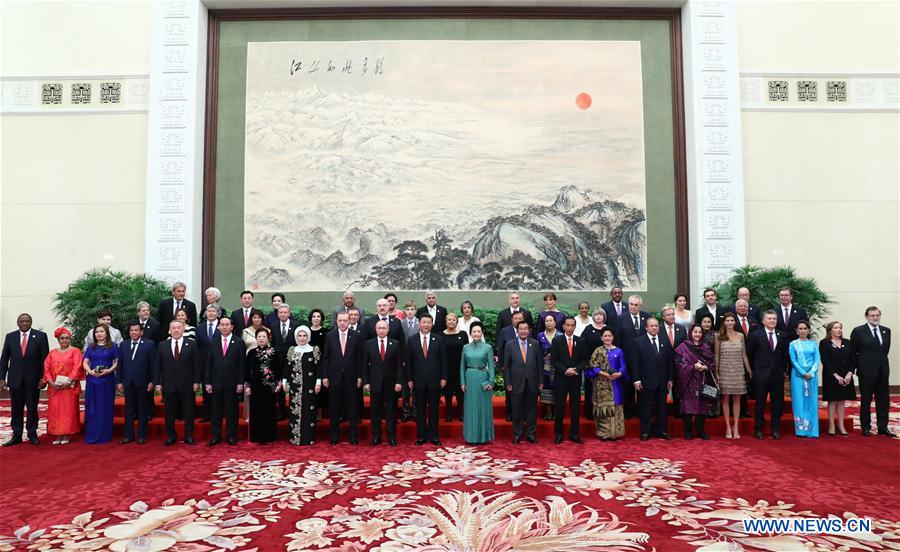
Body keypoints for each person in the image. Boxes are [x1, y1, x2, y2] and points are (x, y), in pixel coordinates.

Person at [0, 313, 50, 446]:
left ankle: (32, 434)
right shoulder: (10, 337)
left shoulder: (40, 336)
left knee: (32, 408)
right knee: (16, 409)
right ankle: (16, 435)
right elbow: (4, 359)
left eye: (27, 321)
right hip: (15, 379)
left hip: (33, 380)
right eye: (21, 321)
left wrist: (43, 378)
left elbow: (45, 360)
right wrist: (1, 378)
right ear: (18, 323)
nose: (24, 323)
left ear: (31, 322)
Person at [155, 320, 201, 446]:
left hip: (187, 384)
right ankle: (171, 436)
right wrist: (157, 383)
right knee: (169, 413)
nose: (176, 330)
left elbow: (197, 365)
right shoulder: (162, 345)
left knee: (189, 412)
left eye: (178, 328)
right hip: (169, 384)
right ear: (170, 330)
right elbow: (157, 366)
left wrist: (197, 381)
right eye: (173, 328)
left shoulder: (192, 344)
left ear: (183, 330)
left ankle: (189, 436)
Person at [747, 310, 790, 440]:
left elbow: (784, 355)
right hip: (761, 374)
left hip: (777, 374)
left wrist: (783, 371)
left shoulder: (782, 335)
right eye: (769, 318)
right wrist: (754, 371)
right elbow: (750, 354)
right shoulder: (755, 335)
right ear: (764, 321)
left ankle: (775, 429)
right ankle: (758, 429)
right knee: (760, 403)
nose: (772, 321)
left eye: (774, 318)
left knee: (777, 403)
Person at [321, 312, 364, 445]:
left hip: (352, 377)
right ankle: (334, 436)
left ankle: (353, 436)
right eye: (340, 320)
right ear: (337, 321)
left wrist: (360, 376)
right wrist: (325, 376)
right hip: (334, 377)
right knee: (334, 408)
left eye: (345, 320)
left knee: (352, 408)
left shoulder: (357, 335)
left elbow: (360, 358)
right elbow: (326, 358)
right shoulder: (330, 335)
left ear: (349, 321)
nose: (343, 323)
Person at [405, 313, 447, 446]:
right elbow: (409, 361)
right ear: (419, 323)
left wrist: (444, 378)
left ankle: (434, 436)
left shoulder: (439, 339)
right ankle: (421, 436)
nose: (426, 325)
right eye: (424, 322)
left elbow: (444, 360)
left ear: (432, 324)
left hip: (435, 380)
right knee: (420, 410)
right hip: (418, 381)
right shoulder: (412, 340)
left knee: (434, 410)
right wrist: (409, 378)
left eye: (429, 322)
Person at [850, 307, 892, 437]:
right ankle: (866, 427)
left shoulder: (886, 331)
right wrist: (856, 369)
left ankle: (883, 427)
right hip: (866, 372)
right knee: (866, 400)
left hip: (882, 371)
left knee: (883, 400)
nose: (875, 317)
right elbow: (853, 352)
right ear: (867, 317)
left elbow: (884, 351)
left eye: (877, 315)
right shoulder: (858, 331)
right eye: (872, 315)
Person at [205, 317, 245, 446]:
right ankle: (216, 436)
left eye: (227, 325)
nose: (224, 327)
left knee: (231, 411)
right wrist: (207, 382)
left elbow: (241, 364)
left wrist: (240, 382)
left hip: (232, 383)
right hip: (215, 382)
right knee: (215, 411)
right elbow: (208, 364)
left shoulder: (239, 342)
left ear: (232, 327)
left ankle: (231, 435)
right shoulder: (213, 342)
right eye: (222, 325)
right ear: (218, 327)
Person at [363, 320, 403, 446]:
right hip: (375, 383)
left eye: (384, 328)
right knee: (375, 411)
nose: (381, 330)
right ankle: (376, 436)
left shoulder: (396, 344)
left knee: (391, 411)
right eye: (379, 328)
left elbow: (399, 365)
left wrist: (399, 382)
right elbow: (364, 365)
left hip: (391, 384)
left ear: (388, 330)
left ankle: (391, 436)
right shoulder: (368, 344)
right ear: (375, 330)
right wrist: (366, 382)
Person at [633, 318, 673, 440]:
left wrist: (670, 378)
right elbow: (635, 362)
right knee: (646, 407)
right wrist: (636, 379)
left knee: (662, 407)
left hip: (662, 381)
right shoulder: (638, 342)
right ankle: (646, 431)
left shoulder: (665, 341)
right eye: (651, 326)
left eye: (656, 325)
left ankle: (661, 430)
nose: (654, 327)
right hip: (645, 380)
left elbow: (670, 361)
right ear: (646, 328)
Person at [116, 321, 156, 444]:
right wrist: (119, 381)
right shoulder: (123, 345)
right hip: (128, 382)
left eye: (136, 330)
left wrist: (152, 381)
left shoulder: (149, 344)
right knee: (129, 410)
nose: (133, 332)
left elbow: (153, 365)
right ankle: (128, 435)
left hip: (143, 382)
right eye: (131, 330)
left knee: (142, 409)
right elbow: (120, 365)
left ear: (141, 332)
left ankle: (142, 436)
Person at [714, 312, 752, 439]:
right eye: (727, 320)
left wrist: (749, 370)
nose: (730, 322)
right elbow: (717, 355)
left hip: (738, 369)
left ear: (735, 322)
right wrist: (716, 372)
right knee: (725, 398)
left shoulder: (741, 336)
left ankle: (735, 426)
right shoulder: (719, 336)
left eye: (732, 320)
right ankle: (728, 427)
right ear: (724, 322)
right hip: (724, 369)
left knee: (737, 398)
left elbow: (744, 355)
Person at [43, 327, 83, 445]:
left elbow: (77, 367)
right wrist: (51, 382)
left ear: (70, 339)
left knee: (68, 411)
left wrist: (69, 381)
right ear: (58, 339)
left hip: (69, 388)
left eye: (66, 338)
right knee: (55, 411)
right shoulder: (52, 353)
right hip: (55, 388)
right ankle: (58, 434)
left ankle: (66, 434)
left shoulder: (75, 351)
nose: (64, 340)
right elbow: (46, 369)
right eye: (62, 338)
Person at [585, 327, 627, 440]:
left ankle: (615, 433)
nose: (607, 338)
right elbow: (591, 366)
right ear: (601, 338)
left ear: (613, 337)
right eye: (605, 336)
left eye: (609, 336)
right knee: (602, 408)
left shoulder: (618, 351)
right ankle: (603, 433)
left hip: (615, 383)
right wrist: (603, 374)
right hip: (601, 384)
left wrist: (619, 373)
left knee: (615, 405)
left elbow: (623, 366)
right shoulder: (598, 351)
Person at [504, 321, 542, 444]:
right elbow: (507, 366)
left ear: (529, 330)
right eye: (521, 329)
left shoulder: (535, 344)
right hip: (515, 382)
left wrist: (540, 380)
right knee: (517, 409)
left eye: (526, 329)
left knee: (531, 409)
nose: (524, 331)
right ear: (517, 330)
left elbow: (539, 364)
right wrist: (508, 382)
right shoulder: (510, 344)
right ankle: (517, 433)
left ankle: (531, 433)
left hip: (532, 381)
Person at [675, 325, 715, 440]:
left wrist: (706, 367)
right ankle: (688, 431)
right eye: (695, 332)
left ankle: (701, 430)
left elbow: (712, 363)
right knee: (688, 407)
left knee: (702, 407)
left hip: (703, 381)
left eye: (700, 332)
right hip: (689, 381)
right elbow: (679, 364)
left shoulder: (706, 347)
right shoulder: (683, 347)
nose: (697, 334)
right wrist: (693, 366)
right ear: (690, 333)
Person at [82, 324, 120, 444]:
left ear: (106, 333)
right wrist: (90, 372)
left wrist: (109, 370)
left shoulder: (113, 346)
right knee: (92, 407)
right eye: (97, 332)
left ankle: (104, 434)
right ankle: (92, 433)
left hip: (107, 381)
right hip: (92, 380)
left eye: (101, 331)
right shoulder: (91, 347)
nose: (99, 334)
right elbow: (85, 362)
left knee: (105, 407)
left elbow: (117, 362)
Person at [551, 316, 586, 444]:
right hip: (561, 378)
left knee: (575, 408)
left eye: (572, 325)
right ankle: (559, 435)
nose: (570, 328)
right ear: (564, 326)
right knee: (559, 407)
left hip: (575, 379)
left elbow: (584, 359)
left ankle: (574, 434)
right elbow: (554, 360)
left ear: (575, 326)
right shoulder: (557, 341)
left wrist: (576, 370)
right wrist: (566, 370)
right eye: (568, 325)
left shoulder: (580, 341)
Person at [615, 294, 649, 419]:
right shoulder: (621, 319)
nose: (633, 307)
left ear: (640, 306)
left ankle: (641, 411)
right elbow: (617, 339)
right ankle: (628, 410)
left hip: (644, 358)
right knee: (627, 385)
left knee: (643, 386)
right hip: (626, 357)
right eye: (631, 304)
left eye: (636, 305)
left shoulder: (647, 317)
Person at [460, 322, 495, 444]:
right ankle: (471, 437)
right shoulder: (465, 348)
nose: (476, 333)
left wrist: (491, 381)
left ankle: (484, 437)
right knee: (470, 408)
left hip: (483, 379)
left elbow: (491, 365)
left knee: (483, 408)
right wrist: (462, 382)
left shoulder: (488, 347)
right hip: (469, 378)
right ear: (470, 333)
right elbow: (462, 367)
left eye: (478, 331)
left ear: (482, 333)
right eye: (474, 331)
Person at [820, 321, 856, 435]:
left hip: (846, 376)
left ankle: (841, 424)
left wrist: (850, 373)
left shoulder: (847, 342)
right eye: (836, 328)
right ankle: (831, 425)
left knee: (842, 400)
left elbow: (853, 359)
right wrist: (835, 375)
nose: (838, 330)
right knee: (832, 400)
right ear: (830, 330)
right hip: (832, 375)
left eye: (840, 327)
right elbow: (825, 360)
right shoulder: (824, 343)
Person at [246, 327, 281, 444]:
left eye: (264, 337)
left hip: (270, 387)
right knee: (256, 411)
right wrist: (247, 385)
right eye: (259, 337)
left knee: (269, 411)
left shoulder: (274, 352)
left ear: (268, 338)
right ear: (256, 338)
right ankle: (256, 437)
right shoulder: (251, 353)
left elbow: (278, 370)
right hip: (255, 386)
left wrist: (278, 384)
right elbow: (247, 371)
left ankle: (269, 437)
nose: (261, 339)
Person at [286, 325, 319, 446]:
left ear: (308, 336)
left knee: (309, 411)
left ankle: (308, 438)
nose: (302, 338)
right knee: (295, 411)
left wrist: (318, 382)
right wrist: (285, 382)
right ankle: (295, 438)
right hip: (295, 387)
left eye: (304, 335)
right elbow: (287, 367)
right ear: (296, 337)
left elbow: (318, 368)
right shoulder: (292, 350)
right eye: (299, 335)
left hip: (310, 386)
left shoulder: (314, 350)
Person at [788, 320, 820, 438]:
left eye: (805, 328)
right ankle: (801, 430)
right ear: (796, 331)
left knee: (811, 402)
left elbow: (817, 359)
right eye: (800, 329)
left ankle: (812, 430)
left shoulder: (813, 344)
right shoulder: (793, 344)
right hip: (798, 376)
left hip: (812, 376)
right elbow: (793, 360)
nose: (803, 331)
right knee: (799, 401)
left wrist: (811, 373)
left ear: (808, 330)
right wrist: (803, 373)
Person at [579, 308, 609, 420]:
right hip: (590, 364)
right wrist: (585, 362)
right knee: (590, 389)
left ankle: (603, 412)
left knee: (604, 389)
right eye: (596, 315)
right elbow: (582, 345)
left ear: (604, 317)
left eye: (601, 315)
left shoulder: (608, 329)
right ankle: (590, 412)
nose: (598, 317)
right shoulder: (588, 329)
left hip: (606, 364)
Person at [270, 304, 298, 420]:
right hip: (278, 362)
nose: (283, 314)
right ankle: (281, 411)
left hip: (293, 361)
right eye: (280, 312)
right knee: (279, 388)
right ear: (278, 314)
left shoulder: (296, 325)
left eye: (285, 312)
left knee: (293, 386)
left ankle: (294, 411)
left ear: (289, 313)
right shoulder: (273, 325)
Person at [496, 311, 524, 422]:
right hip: (510, 367)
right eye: (515, 318)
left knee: (523, 391)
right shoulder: (505, 331)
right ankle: (509, 413)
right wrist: (503, 365)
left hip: (524, 367)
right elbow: (500, 348)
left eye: (520, 318)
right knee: (510, 392)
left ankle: (522, 414)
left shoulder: (526, 330)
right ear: (512, 320)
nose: (518, 320)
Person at [733, 299, 759, 419]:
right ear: (736, 308)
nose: (743, 308)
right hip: (736, 358)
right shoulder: (732, 321)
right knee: (739, 384)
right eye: (740, 306)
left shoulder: (753, 321)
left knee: (748, 384)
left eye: (745, 306)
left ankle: (746, 409)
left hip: (753, 357)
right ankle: (740, 409)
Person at [441, 312, 469, 422]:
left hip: (460, 366)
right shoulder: (440, 335)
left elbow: (467, 351)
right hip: (446, 367)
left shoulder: (463, 334)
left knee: (460, 392)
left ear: (457, 322)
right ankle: (448, 413)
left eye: (453, 320)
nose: (451, 321)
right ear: (446, 322)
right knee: (447, 392)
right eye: (449, 320)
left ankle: (461, 413)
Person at [399, 301, 419, 422]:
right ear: (404, 311)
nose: (410, 311)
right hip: (405, 360)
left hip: (417, 360)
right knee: (406, 388)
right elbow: (399, 343)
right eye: (408, 309)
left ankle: (416, 412)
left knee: (416, 387)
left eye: (412, 309)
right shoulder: (401, 323)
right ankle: (406, 412)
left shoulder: (420, 323)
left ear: (415, 311)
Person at [537, 313, 559, 420]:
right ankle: (548, 412)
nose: (549, 323)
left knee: (556, 388)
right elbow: (537, 351)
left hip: (557, 367)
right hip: (544, 367)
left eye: (551, 321)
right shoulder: (540, 335)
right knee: (545, 388)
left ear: (555, 322)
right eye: (547, 321)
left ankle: (556, 412)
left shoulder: (560, 335)